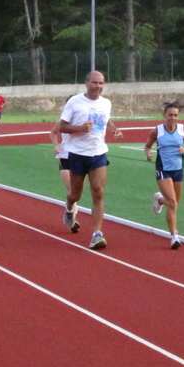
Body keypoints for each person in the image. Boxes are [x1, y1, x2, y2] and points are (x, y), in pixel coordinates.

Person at [59, 71, 123, 249]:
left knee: (98, 191)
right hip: (78, 154)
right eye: (95, 83)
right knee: (75, 194)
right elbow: (62, 126)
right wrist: (79, 128)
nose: (98, 86)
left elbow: (106, 120)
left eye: (101, 83)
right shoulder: (75, 102)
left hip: (98, 153)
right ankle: (70, 207)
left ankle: (97, 233)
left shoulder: (106, 103)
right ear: (86, 83)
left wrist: (114, 130)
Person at [144, 102, 184, 249]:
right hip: (163, 169)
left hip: (178, 169)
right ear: (164, 116)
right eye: (170, 115)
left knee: (174, 205)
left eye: (176, 115)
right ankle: (174, 236)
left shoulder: (183, 130)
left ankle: (159, 200)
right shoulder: (157, 131)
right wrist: (148, 153)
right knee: (173, 202)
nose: (173, 118)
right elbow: (148, 146)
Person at [50, 97, 76, 218]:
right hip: (64, 156)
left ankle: (70, 209)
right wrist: (56, 146)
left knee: (75, 191)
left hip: (79, 156)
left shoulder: (81, 121)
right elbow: (52, 132)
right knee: (70, 188)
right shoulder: (61, 121)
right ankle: (72, 217)